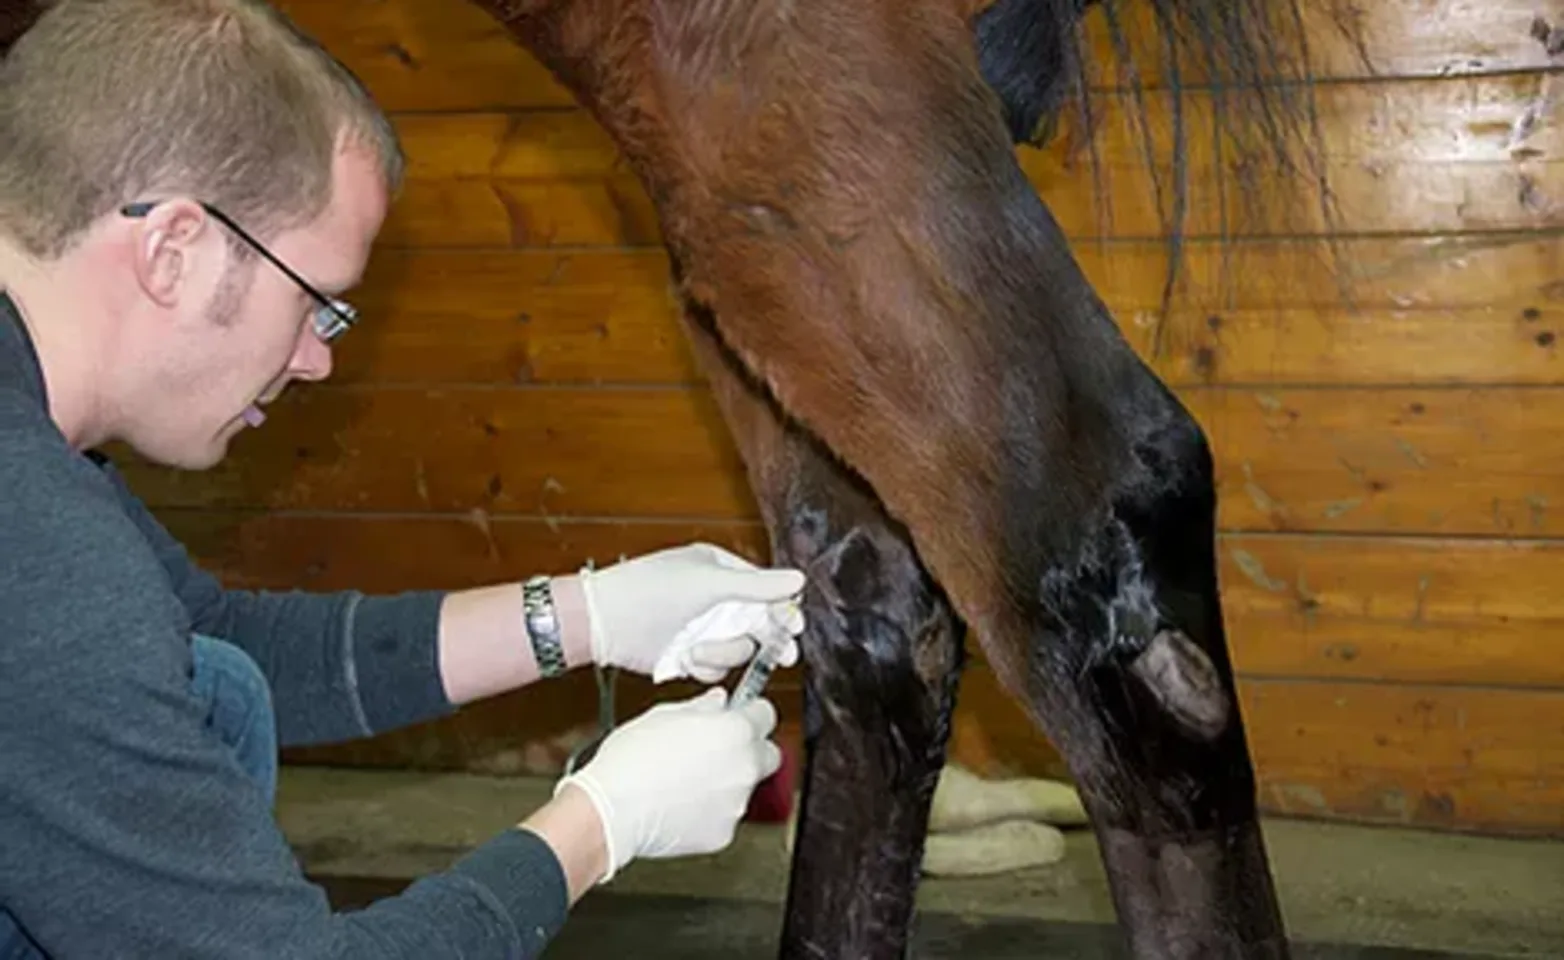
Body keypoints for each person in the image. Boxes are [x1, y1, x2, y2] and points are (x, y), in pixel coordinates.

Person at [0, 1, 807, 956]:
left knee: (217, 682)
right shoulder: (35, 538)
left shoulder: (37, 463)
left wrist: (588, 613)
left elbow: (204, 639)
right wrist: (601, 825)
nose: (316, 359)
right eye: (316, 305)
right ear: (175, 250)